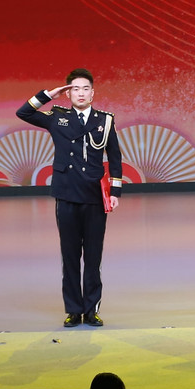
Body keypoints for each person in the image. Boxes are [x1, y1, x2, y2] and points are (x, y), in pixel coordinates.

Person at [17, 69, 124, 327]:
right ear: (68, 93)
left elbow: (115, 156)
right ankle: (74, 311)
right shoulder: (58, 117)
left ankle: (92, 310)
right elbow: (24, 112)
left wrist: (115, 192)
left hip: (94, 196)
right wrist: (48, 95)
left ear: (92, 93)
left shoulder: (105, 120)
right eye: (75, 89)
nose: (81, 93)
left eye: (85, 88)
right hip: (66, 194)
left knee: (93, 257)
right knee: (70, 256)